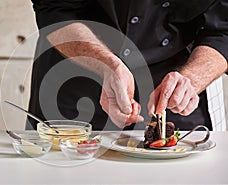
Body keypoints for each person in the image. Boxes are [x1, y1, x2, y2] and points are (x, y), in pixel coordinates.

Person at [27, 0, 228, 131]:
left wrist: (192, 79)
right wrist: (107, 64)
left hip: (182, 90)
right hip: (76, 82)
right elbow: (55, 10)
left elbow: (224, 30)